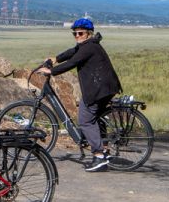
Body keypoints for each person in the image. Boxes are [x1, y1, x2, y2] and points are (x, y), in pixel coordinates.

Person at [37, 18, 122, 172]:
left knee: (85, 119)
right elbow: (72, 52)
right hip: (107, 87)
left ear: (89, 34)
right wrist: (55, 59)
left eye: (80, 33)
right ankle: (104, 149)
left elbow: (73, 62)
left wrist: (52, 71)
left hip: (99, 89)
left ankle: (99, 156)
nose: (77, 35)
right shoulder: (88, 45)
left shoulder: (89, 47)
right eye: (74, 33)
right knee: (96, 117)